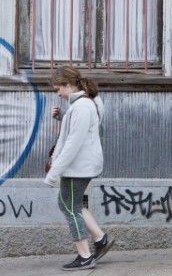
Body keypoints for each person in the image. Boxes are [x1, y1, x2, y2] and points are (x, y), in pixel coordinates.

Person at [44, 67, 114, 270]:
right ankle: (100, 239)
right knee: (69, 204)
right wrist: (62, 117)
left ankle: (85, 256)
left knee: (69, 207)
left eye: (58, 89)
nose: (57, 93)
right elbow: (79, 129)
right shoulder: (82, 104)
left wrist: (53, 173)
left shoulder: (82, 106)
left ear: (68, 85)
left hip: (78, 167)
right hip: (81, 166)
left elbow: (73, 143)